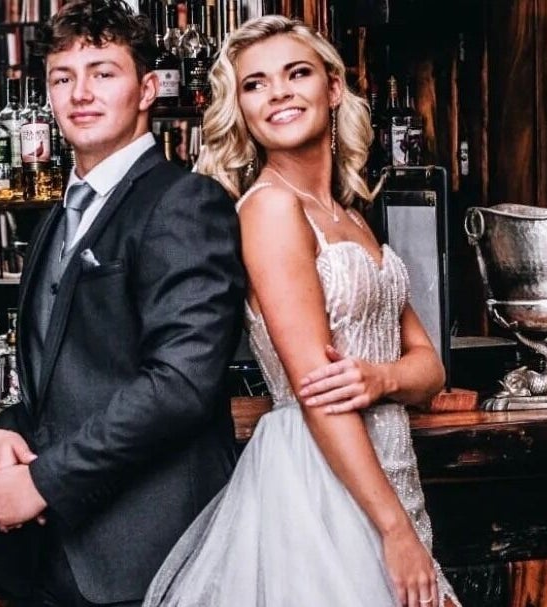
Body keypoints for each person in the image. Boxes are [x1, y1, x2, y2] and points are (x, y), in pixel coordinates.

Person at [143, 15, 461, 607]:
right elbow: (318, 391)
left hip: (389, 467)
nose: (279, 93)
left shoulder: (349, 215)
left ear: (333, 87)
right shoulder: (268, 210)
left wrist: (380, 377)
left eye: (296, 74)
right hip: (320, 480)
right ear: (240, 107)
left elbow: (431, 369)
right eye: (255, 84)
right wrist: (394, 531)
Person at [0, 0, 246, 605]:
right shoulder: (54, 217)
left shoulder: (185, 202)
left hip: (153, 550)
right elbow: (63, 376)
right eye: (63, 78)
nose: (81, 94)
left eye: (103, 72)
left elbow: (180, 384)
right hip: (59, 554)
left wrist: (43, 481)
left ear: (147, 88)